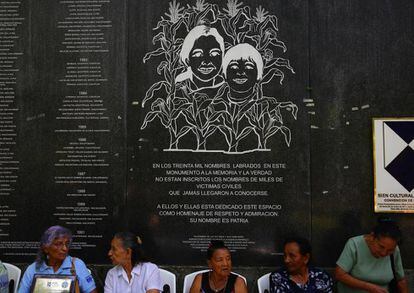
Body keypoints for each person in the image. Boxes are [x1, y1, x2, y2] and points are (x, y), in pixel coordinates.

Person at [335, 218, 409, 293]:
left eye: (389, 250)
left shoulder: (395, 250)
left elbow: (401, 280)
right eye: (381, 246)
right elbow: (340, 274)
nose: (384, 253)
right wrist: (369, 287)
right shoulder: (354, 244)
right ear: (372, 237)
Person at [18, 225, 97, 293]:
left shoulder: (77, 265)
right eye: (58, 244)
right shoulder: (33, 269)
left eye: (66, 244)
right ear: (46, 248)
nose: (65, 248)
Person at [176, 24, 225, 93]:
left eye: (214, 54)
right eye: (198, 54)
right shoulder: (179, 87)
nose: (206, 61)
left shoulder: (225, 87)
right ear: (187, 60)